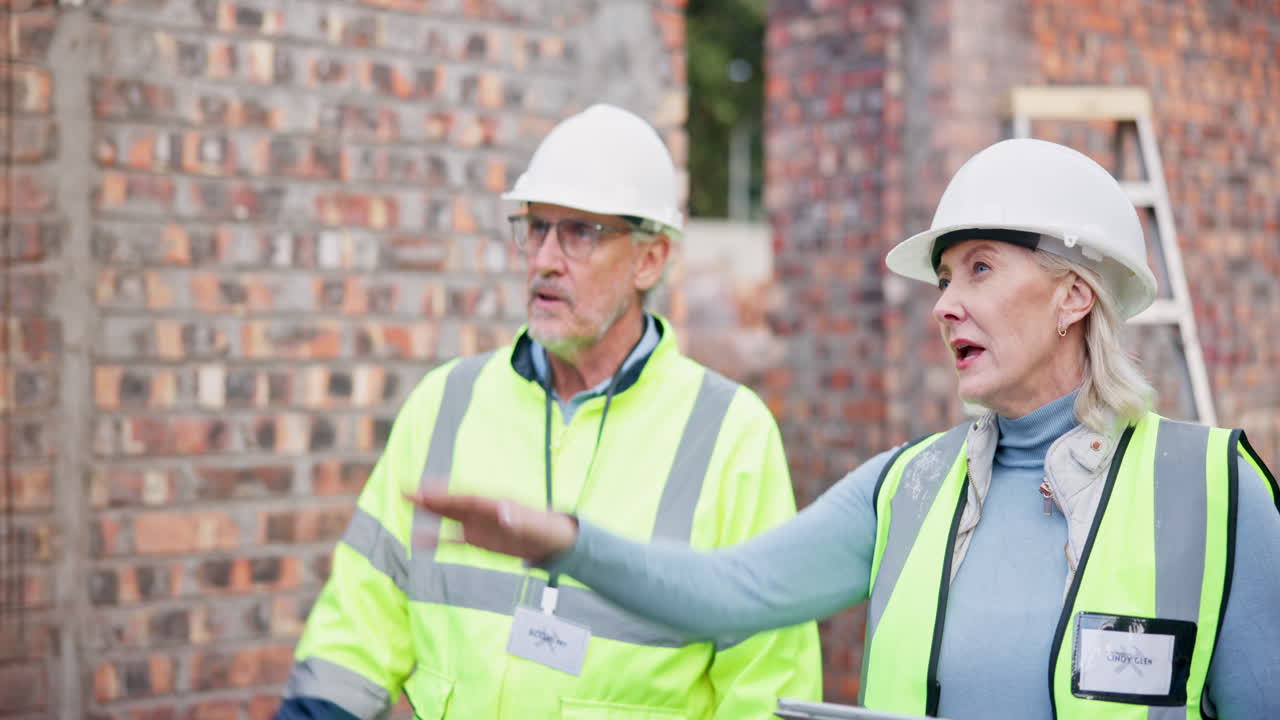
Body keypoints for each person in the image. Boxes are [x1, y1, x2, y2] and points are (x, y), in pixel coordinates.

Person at [413, 138, 1280, 720]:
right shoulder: (909, 488)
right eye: (944, 277)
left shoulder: (1214, 493)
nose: (945, 305)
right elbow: (728, 593)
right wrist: (566, 543)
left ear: (1074, 295)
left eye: (980, 268)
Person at [275, 104, 822, 720]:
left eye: (580, 233)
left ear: (651, 259)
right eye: (536, 228)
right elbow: (357, 626)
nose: (545, 259)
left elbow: (766, 681)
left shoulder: (729, 433)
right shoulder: (445, 403)